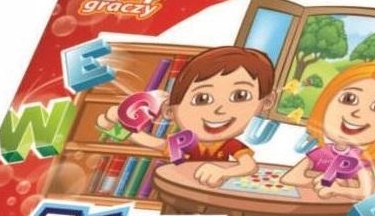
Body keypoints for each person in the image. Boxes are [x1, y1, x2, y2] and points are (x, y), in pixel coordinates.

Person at [96, 46, 276, 187]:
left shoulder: (229, 144)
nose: (220, 110)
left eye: (240, 96)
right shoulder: (182, 142)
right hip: (178, 189)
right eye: (202, 99)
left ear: (267, 102)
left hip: (210, 191)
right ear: (170, 110)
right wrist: (114, 127)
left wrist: (223, 172)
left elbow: (249, 166)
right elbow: (149, 141)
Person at [281, 63, 375, 200]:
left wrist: (338, 189)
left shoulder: (359, 159)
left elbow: (368, 192)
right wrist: (321, 181)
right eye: (349, 99)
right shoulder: (322, 152)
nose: (357, 113)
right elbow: (289, 178)